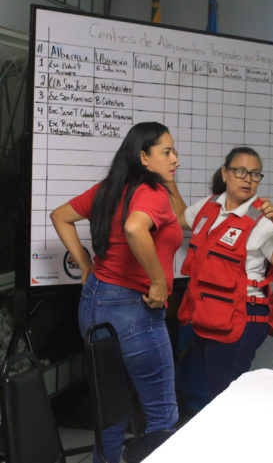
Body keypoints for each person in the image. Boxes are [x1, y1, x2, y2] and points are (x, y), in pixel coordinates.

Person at [50, 122, 181, 463]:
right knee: (162, 415)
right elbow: (136, 227)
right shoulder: (151, 194)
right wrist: (157, 282)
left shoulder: (110, 188)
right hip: (134, 310)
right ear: (143, 156)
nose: (175, 159)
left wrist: (85, 265)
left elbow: (60, 217)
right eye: (166, 152)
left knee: (111, 408)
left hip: (95, 302)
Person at [167, 146, 273, 402]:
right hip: (203, 315)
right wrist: (168, 181)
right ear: (225, 173)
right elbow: (182, 218)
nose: (248, 179)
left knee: (225, 394)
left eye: (255, 174)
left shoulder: (263, 217)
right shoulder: (208, 206)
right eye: (240, 171)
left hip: (240, 318)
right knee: (202, 391)